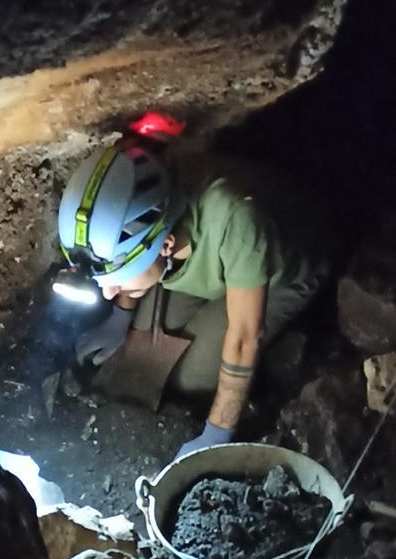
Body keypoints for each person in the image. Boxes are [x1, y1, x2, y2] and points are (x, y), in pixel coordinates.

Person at [57, 120, 327, 459]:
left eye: (118, 282)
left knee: (191, 379)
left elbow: (245, 336)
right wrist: (120, 317)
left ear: (166, 245)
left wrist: (218, 430)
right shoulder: (147, 201)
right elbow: (126, 253)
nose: (109, 294)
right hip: (199, 259)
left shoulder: (237, 218)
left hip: (279, 270)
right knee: (140, 349)